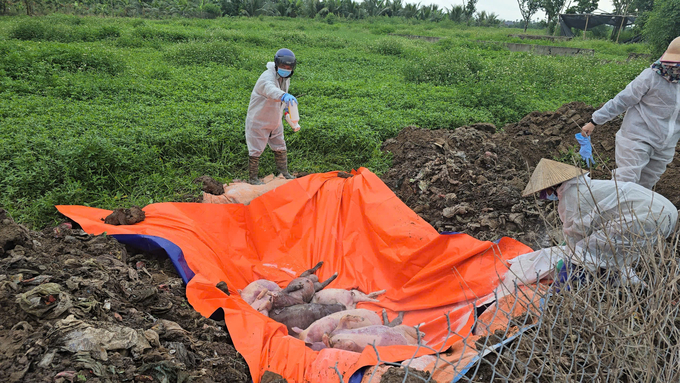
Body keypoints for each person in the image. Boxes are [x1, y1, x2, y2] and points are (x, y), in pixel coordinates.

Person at [497, 158, 677, 294]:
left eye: (544, 192)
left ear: (551, 186)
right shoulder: (587, 186)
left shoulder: (571, 196)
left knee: (584, 253)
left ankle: (564, 295)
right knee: (613, 252)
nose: (545, 196)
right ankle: (625, 285)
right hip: (665, 212)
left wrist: (566, 261)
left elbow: (575, 233)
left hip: (645, 216)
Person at [580, 36, 680, 190]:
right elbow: (623, 100)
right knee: (625, 183)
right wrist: (595, 121)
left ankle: (633, 214)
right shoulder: (651, 76)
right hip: (637, 138)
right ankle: (613, 212)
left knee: (645, 187)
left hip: (666, 145)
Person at [245, 48, 299, 185]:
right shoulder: (266, 77)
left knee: (280, 146)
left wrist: (286, 108)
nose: (286, 69)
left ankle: (284, 173)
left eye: (289, 67)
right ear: (276, 65)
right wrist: (283, 96)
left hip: (275, 119)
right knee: (255, 150)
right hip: (259, 120)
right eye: (283, 66)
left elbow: (282, 92)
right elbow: (270, 90)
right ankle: (253, 178)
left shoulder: (285, 78)